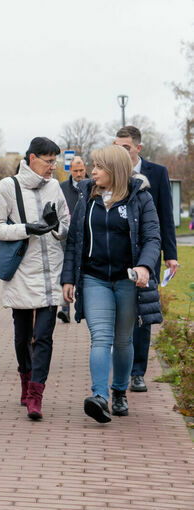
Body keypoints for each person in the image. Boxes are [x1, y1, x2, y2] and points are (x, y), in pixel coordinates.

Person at [61, 145, 161, 423]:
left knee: (123, 340)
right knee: (101, 337)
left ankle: (119, 392)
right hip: (94, 279)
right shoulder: (87, 197)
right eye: (93, 166)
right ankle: (100, 396)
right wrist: (68, 278)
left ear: (115, 170)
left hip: (128, 280)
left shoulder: (140, 198)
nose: (93, 172)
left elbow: (153, 238)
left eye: (99, 167)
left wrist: (144, 265)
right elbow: (74, 242)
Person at [0, 137, 69, 421]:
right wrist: (27, 228)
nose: (53, 167)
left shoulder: (56, 187)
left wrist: (56, 225)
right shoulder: (8, 187)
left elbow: (66, 225)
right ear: (32, 159)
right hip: (21, 272)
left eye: (55, 161)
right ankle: (25, 380)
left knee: (43, 336)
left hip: (50, 272)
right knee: (23, 336)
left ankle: (36, 395)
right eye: (49, 161)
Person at [113, 126, 177, 393]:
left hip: (147, 255)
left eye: (125, 147)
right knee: (119, 314)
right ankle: (121, 368)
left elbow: (166, 216)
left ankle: (138, 373)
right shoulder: (112, 171)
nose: (120, 151)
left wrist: (170, 255)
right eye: (117, 146)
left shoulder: (157, 173)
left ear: (138, 148)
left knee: (143, 314)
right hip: (118, 255)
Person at [57, 155, 87, 323]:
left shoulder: (93, 185)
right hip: (67, 236)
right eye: (76, 171)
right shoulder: (62, 188)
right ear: (70, 170)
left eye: (81, 170)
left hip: (87, 236)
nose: (79, 173)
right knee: (66, 269)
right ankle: (65, 309)